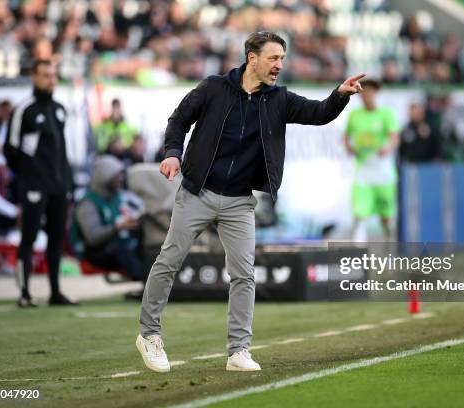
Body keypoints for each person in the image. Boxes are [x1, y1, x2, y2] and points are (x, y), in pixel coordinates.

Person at [136, 31, 364, 373]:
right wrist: (172, 154)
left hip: (239, 202)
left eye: (283, 59)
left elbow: (318, 113)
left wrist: (340, 96)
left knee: (244, 275)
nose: (279, 65)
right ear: (251, 58)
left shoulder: (280, 100)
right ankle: (148, 334)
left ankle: (238, 351)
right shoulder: (213, 88)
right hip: (197, 192)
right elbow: (178, 121)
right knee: (169, 261)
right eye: (273, 58)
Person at [3, 60, 77, 307]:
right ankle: (24, 293)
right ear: (34, 77)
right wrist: (28, 177)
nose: (51, 80)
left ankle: (55, 292)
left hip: (58, 186)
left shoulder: (59, 109)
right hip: (34, 186)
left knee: (56, 240)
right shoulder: (24, 109)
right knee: (29, 237)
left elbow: (61, 150)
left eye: (54, 75)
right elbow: (10, 149)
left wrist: (67, 181)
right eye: (45, 75)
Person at [72, 155, 144, 285]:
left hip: (121, 246)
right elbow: (92, 237)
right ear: (104, 176)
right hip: (96, 253)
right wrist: (117, 227)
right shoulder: (88, 203)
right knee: (119, 249)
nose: (121, 179)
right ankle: (145, 280)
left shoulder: (119, 196)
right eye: (116, 176)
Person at [344, 79, 400, 241]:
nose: (366, 96)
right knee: (360, 212)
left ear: (376, 93)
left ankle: (389, 245)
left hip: (382, 171)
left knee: (386, 215)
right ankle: (359, 254)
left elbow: (394, 137)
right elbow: (347, 137)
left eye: (370, 92)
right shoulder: (355, 115)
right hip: (363, 170)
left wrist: (388, 148)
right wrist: (349, 147)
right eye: (363, 93)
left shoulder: (386, 114)